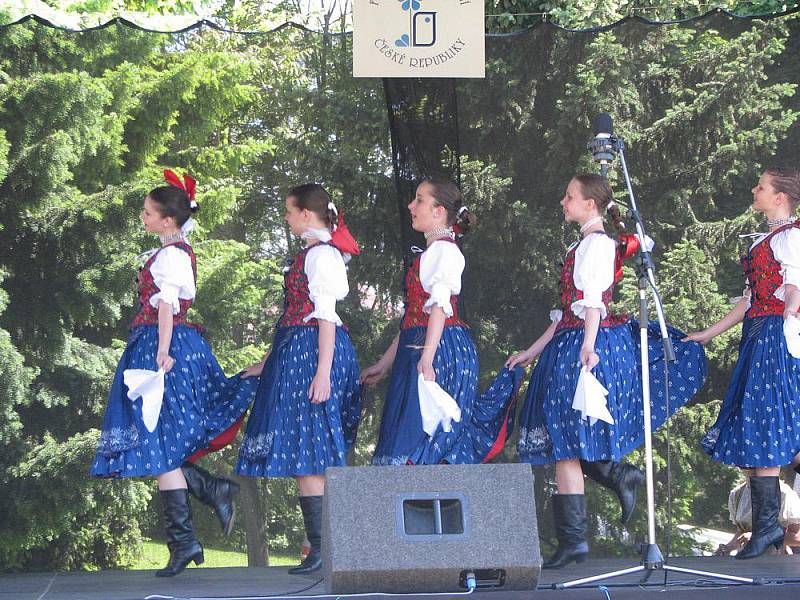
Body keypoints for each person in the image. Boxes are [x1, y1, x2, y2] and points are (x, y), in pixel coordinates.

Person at [509, 174, 706, 569]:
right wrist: (532, 351)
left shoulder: (597, 245)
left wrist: (587, 344)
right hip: (572, 341)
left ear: (591, 204)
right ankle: (610, 485)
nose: (563, 202)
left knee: (566, 440)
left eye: (570, 196)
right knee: (565, 439)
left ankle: (581, 531)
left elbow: (593, 302)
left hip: (588, 345)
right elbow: (570, 310)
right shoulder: (584, 244)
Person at [91, 170, 258, 577]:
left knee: (157, 439)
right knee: (156, 440)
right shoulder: (170, 252)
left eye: (149, 212)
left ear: (168, 220)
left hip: (165, 347)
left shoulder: (172, 255)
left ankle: (187, 536)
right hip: (161, 343)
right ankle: (196, 518)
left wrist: (162, 351)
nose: (143, 217)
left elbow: (167, 305)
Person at [236, 184, 361, 575]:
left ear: (307, 214)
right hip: (298, 352)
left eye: (290, 212)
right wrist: (267, 361)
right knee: (306, 452)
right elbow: (293, 314)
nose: (287, 218)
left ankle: (322, 550)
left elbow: (325, 316)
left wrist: (323, 372)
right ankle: (319, 548)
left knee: (310, 453)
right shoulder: (313, 253)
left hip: (313, 355)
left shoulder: (322, 255)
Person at [362, 177, 522, 467]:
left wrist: (427, 357)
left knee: (423, 449)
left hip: (440, 352)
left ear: (438, 211)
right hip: (424, 349)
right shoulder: (432, 251)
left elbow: (438, 308)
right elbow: (414, 318)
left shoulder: (444, 251)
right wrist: (385, 364)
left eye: (419, 199)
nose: (411, 205)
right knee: (407, 451)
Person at [686, 167, 800, 559]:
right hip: (758, 333)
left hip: (775, 336)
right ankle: (767, 527)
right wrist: (708, 333)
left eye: (761, 187)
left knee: (769, 419)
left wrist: (790, 316)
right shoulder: (763, 241)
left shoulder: (791, 238)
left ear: (780, 196)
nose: (755, 190)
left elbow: (795, 286)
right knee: (762, 420)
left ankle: (769, 528)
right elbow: (750, 299)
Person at [714, 470, 800, 556]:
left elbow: (796, 538)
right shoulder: (737, 494)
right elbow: (743, 532)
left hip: (773, 563)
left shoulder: (784, 494)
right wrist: (728, 547)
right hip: (746, 562)